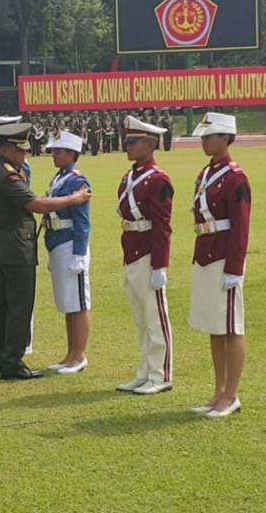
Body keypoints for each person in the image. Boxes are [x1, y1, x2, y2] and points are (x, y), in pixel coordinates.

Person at [0, 114, 91, 380]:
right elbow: (37, 206)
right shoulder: (7, 175)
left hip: (4, 246)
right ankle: (12, 362)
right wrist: (74, 198)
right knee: (19, 306)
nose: (24, 155)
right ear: (8, 148)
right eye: (20, 149)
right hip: (16, 247)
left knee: (3, 304)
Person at [188, 112, 251, 419]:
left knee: (231, 326)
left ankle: (231, 394)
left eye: (209, 136)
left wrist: (234, 269)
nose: (204, 141)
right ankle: (218, 390)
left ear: (226, 138)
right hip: (205, 251)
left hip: (224, 255)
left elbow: (241, 226)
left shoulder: (235, 177)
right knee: (215, 327)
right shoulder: (207, 172)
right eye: (203, 136)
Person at [115, 115, 175, 395]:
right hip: (132, 250)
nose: (126, 146)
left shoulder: (158, 179)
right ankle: (144, 371)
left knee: (155, 317)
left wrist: (159, 265)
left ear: (149, 145)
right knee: (141, 319)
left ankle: (160, 374)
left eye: (132, 142)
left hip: (149, 252)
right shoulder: (130, 176)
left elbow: (163, 225)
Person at [42, 131, 92, 375]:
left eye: (58, 151)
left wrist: (79, 253)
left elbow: (82, 221)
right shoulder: (60, 178)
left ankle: (79, 355)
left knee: (78, 303)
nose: (54, 155)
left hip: (71, 242)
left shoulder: (77, 181)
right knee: (67, 302)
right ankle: (70, 353)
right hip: (57, 241)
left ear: (71, 153)